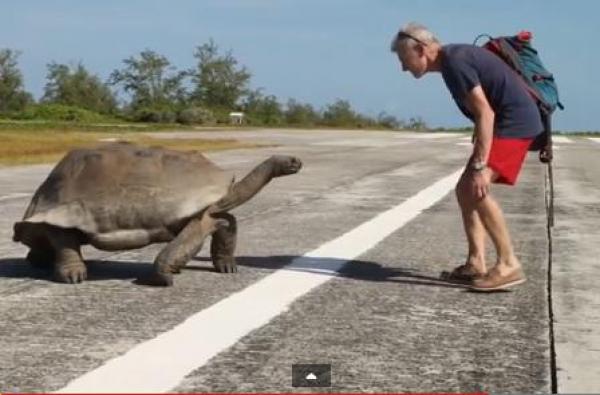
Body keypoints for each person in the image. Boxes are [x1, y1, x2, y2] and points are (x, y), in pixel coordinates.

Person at [390, 23, 544, 291]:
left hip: (514, 124)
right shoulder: (454, 59)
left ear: (420, 49)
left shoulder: (455, 63)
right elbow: (484, 110)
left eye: (405, 60)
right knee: (465, 189)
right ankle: (476, 263)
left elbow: (485, 112)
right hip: (506, 124)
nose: (403, 68)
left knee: (475, 187)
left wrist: (481, 164)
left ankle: (509, 264)